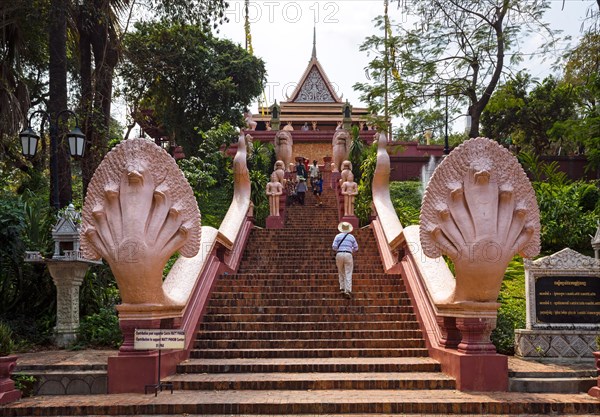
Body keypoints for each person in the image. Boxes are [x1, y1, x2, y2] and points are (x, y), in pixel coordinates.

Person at [332, 221, 358, 299]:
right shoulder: (351, 237)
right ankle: (348, 290)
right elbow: (356, 248)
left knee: (341, 271)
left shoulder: (337, 236)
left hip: (339, 254)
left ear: (341, 229)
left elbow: (334, 246)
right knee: (348, 272)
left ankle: (342, 288)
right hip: (348, 254)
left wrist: (339, 249)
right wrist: (350, 249)